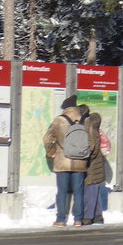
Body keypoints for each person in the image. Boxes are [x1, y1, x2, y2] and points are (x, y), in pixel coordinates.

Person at [42, 95, 89, 227]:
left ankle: (61, 219)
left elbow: (46, 138)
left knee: (62, 191)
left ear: (65, 108)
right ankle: (78, 219)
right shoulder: (85, 120)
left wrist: (51, 152)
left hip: (62, 161)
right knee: (79, 191)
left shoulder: (59, 120)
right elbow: (90, 140)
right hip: (80, 161)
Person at [80, 106, 108, 226]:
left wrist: (84, 159)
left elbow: (92, 147)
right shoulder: (95, 127)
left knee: (90, 191)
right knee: (94, 190)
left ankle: (88, 216)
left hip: (91, 165)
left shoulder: (89, 128)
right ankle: (98, 216)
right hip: (97, 164)